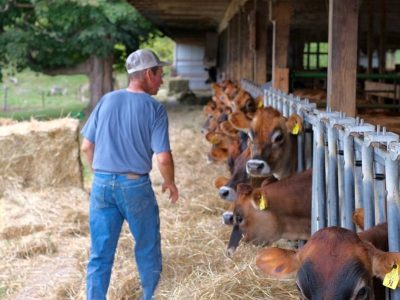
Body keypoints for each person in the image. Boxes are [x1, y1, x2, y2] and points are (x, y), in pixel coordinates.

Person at [80, 48, 179, 300]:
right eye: (160, 74)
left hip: (101, 185)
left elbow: (86, 147)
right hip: (134, 187)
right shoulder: (154, 109)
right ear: (148, 74)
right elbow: (163, 157)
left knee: (100, 253)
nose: (162, 80)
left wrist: (101, 173)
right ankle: (149, 296)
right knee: (147, 247)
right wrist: (170, 183)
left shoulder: (106, 100)